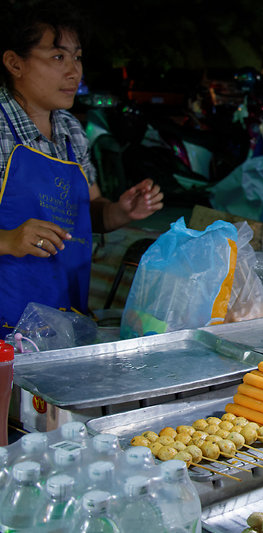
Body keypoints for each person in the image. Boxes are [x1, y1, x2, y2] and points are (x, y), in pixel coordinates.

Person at [0, 2, 163, 334]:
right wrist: (8, 240)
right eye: (58, 57)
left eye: (77, 57)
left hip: (61, 313)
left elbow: (89, 214)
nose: (74, 72)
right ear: (15, 63)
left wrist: (122, 211)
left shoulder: (72, 130)